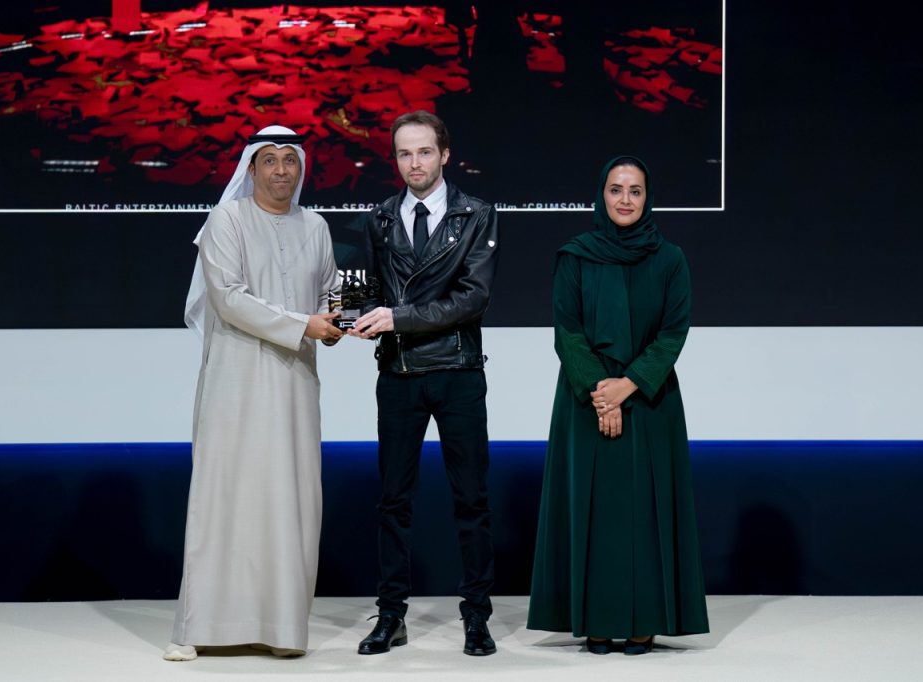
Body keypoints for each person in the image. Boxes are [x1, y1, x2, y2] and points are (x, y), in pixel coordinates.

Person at [164, 125, 343, 661]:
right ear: (251, 167)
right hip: (236, 382)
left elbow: (330, 289)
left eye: (290, 160)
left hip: (295, 384)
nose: (281, 170)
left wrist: (340, 319)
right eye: (270, 160)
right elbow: (228, 298)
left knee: (290, 497)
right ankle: (197, 629)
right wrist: (305, 324)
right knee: (225, 494)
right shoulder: (227, 219)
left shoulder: (316, 225)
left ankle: (281, 629)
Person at [527, 156, 709, 655]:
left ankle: (644, 620)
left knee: (643, 511)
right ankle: (596, 620)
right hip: (584, 400)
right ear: (601, 195)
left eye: (635, 191)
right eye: (615, 189)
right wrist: (600, 392)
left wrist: (627, 386)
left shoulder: (670, 259)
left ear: (647, 198)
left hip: (650, 400)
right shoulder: (575, 256)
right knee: (595, 510)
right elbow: (567, 331)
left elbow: (673, 333)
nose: (625, 199)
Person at [348, 111, 500, 656]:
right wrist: (349, 319)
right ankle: (391, 614)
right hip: (399, 373)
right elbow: (367, 288)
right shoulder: (379, 218)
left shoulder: (477, 214)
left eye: (424, 152)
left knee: (471, 499)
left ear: (445, 155)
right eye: (404, 153)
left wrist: (397, 317)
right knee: (393, 501)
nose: (415, 163)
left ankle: (476, 616)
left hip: (458, 371)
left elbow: (472, 298)